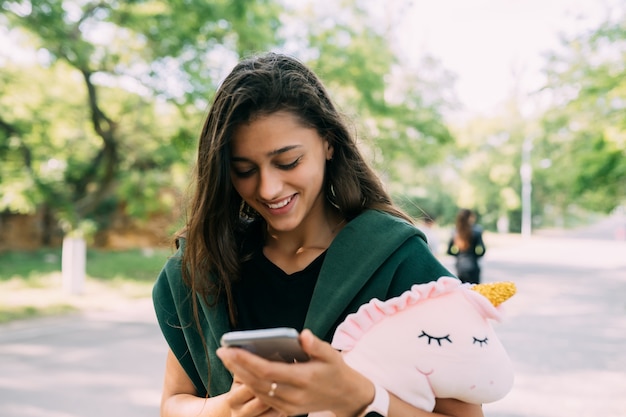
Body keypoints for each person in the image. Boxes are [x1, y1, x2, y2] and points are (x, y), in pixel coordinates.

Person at [152, 52, 484, 417]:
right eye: (245, 169)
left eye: (288, 162)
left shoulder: (398, 262)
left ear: (328, 143)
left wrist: (360, 398)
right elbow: (173, 403)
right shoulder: (207, 263)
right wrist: (228, 409)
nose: (268, 189)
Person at [446, 208, 486, 284]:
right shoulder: (477, 231)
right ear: (470, 217)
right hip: (473, 265)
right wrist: (475, 255)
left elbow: (449, 251)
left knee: (463, 291)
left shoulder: (455, 231)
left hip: (460, 266)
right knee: (475, 291)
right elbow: (482, 250)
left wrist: (458, 255)